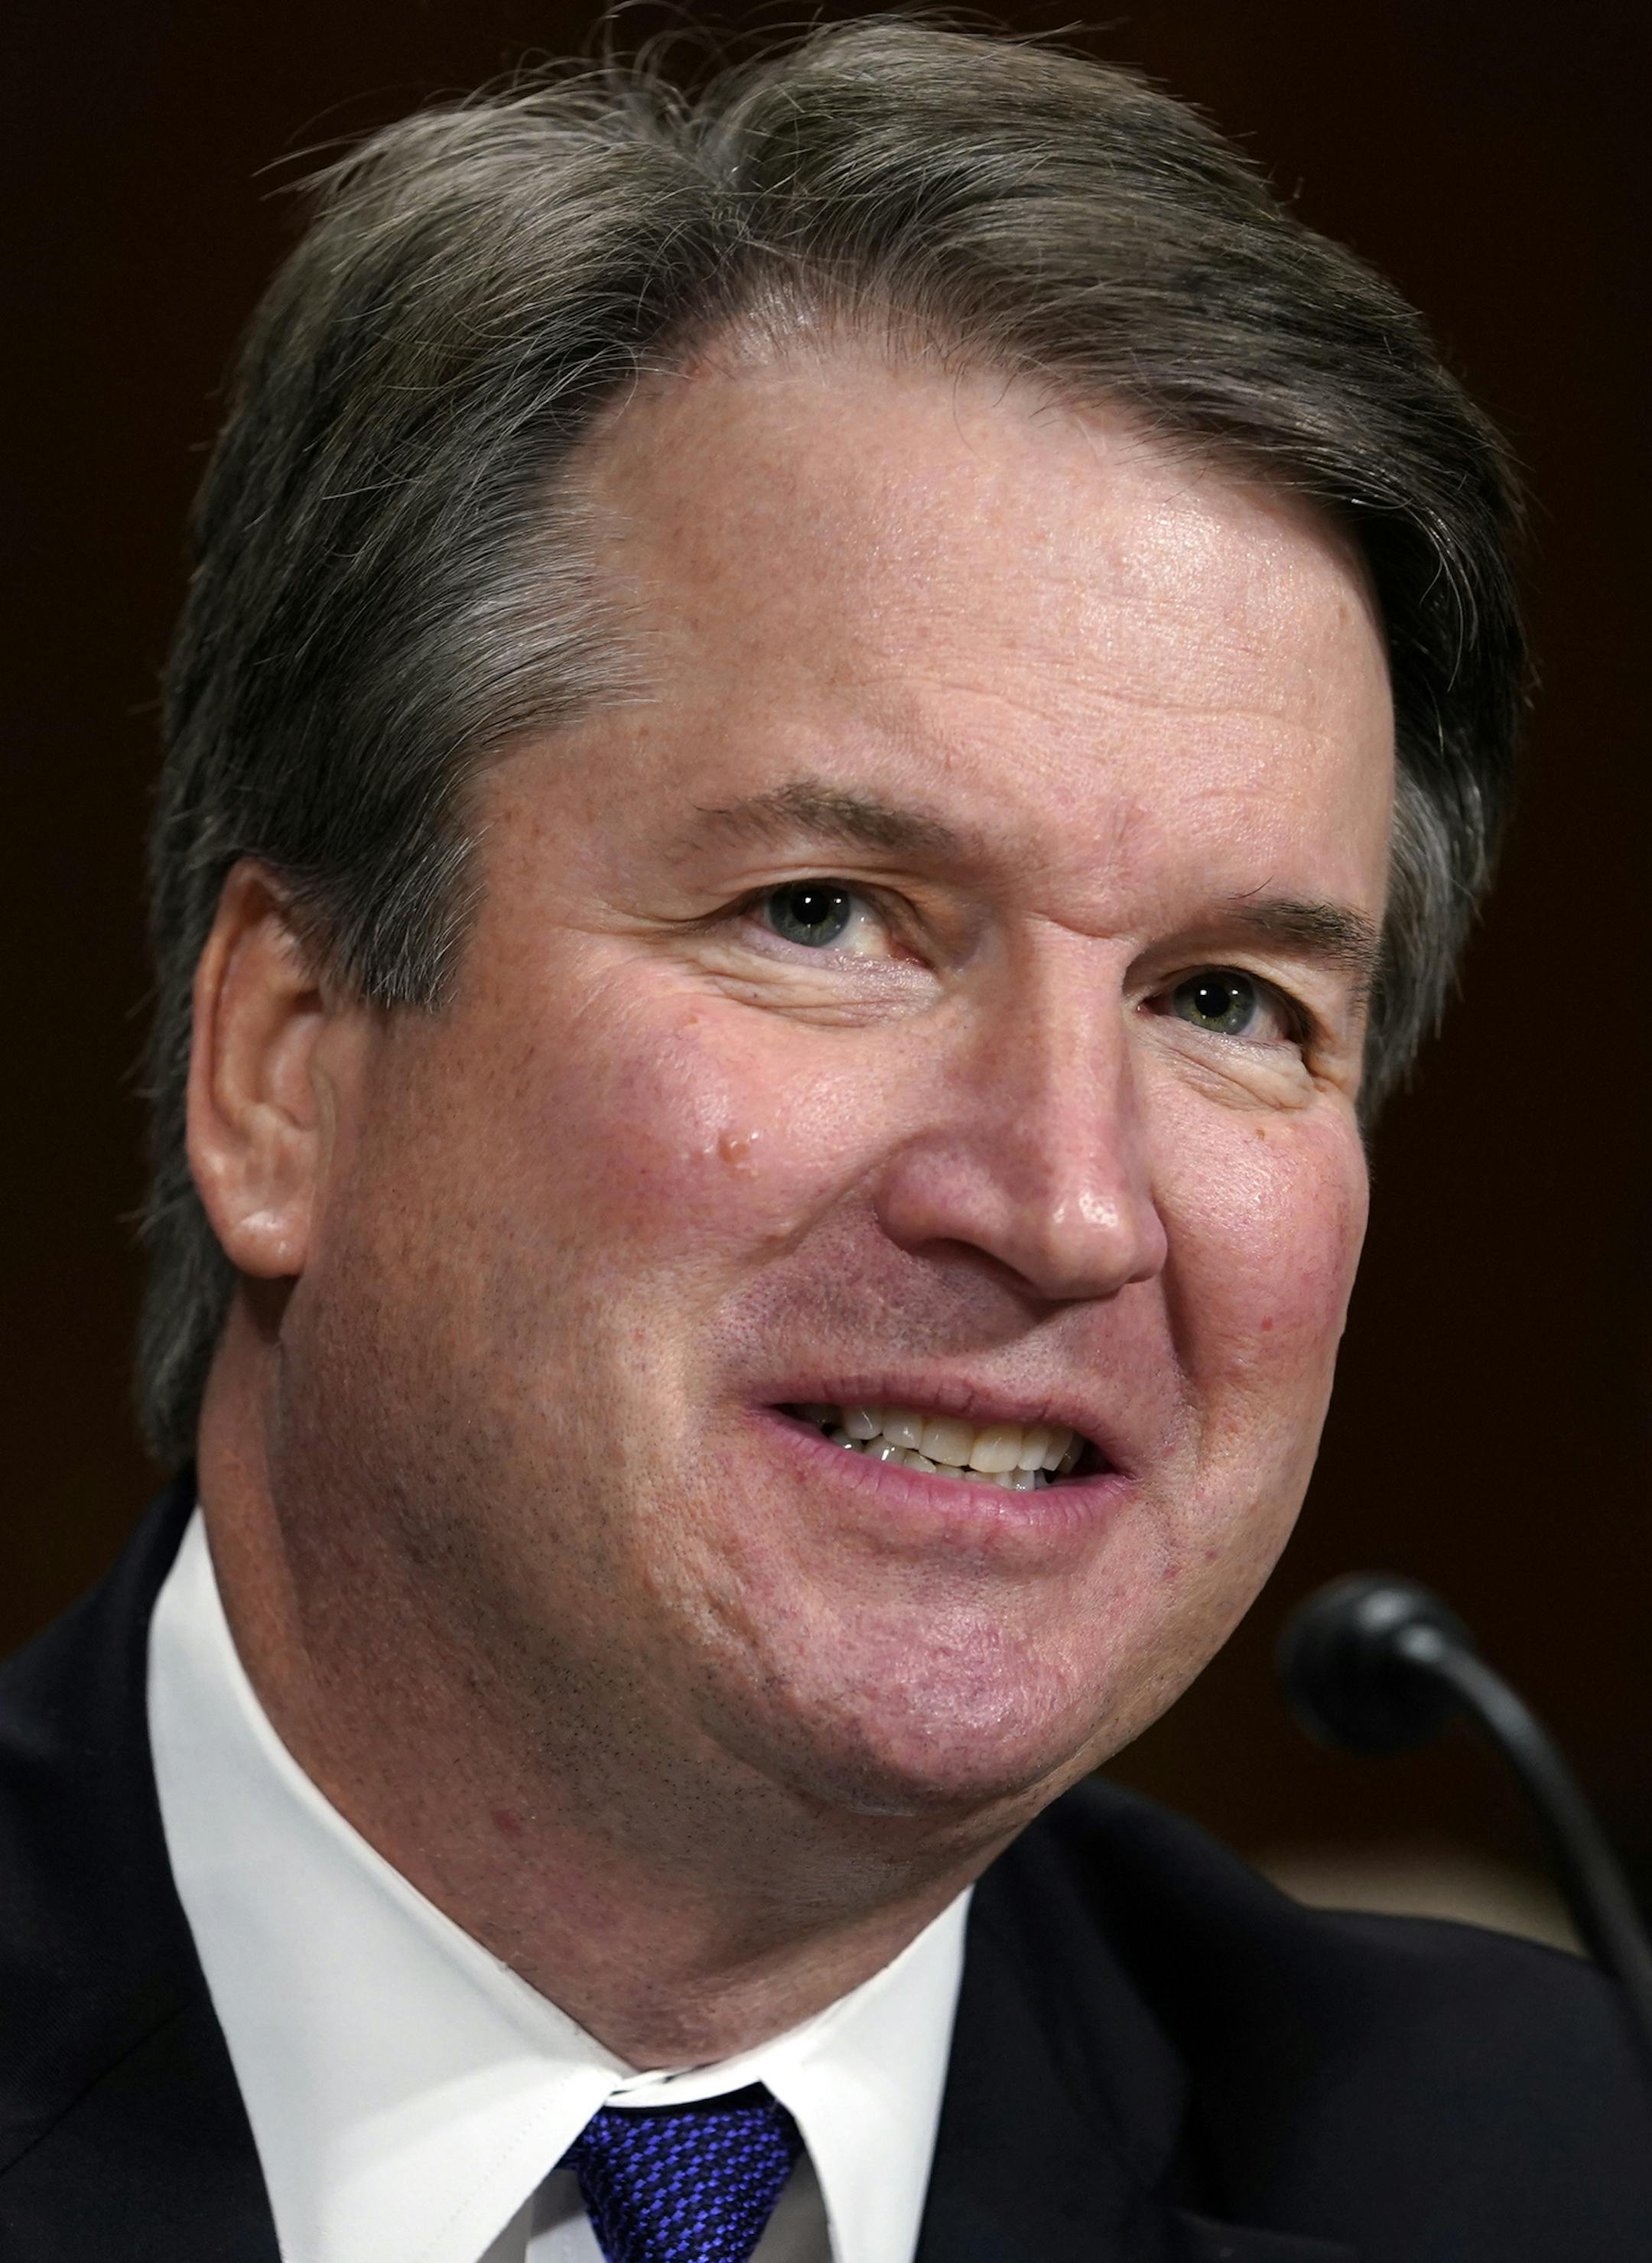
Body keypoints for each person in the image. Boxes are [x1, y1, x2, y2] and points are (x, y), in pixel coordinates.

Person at [2, 19, 1646, 2261]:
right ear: (286, 1063)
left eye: (1226, 1002)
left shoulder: (1543, 2181)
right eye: (830, 917)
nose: (1067, 1202)